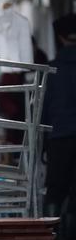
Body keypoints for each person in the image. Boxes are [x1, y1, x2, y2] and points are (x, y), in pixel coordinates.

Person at [43, 14, 76, 218]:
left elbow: (44, 109)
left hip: (60, 138)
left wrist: (42, 145)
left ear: (61, 38)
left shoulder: (52, 69)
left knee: (55, 192)